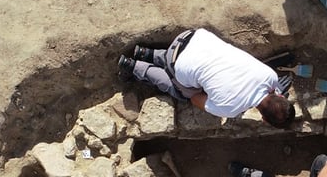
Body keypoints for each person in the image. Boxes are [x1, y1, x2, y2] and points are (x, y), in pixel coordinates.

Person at [117, 28, 295, 128]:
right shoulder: (229, 109)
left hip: (194, 36)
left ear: (279, 95)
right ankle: (133, 66)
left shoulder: (270, 76)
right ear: (263, 119)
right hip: (177, 60)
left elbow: (273, 89)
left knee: (201, 65)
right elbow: (195, 99)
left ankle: (146, 53)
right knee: (182, 92)